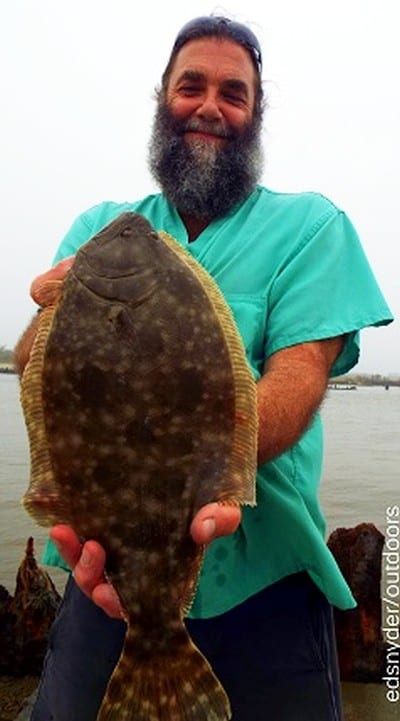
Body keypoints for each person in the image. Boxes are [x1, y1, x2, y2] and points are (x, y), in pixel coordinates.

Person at [14, 15, 393, 721]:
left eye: (234, 92)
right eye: (192, 86)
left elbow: (301, 374)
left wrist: (214, 453)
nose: (210, 106)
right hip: (104, 579)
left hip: (269, 593)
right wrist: (49, 312)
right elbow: (37, 365)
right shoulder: (103, 222)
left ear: (256, 114)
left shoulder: (312, 226)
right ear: (163, 97)